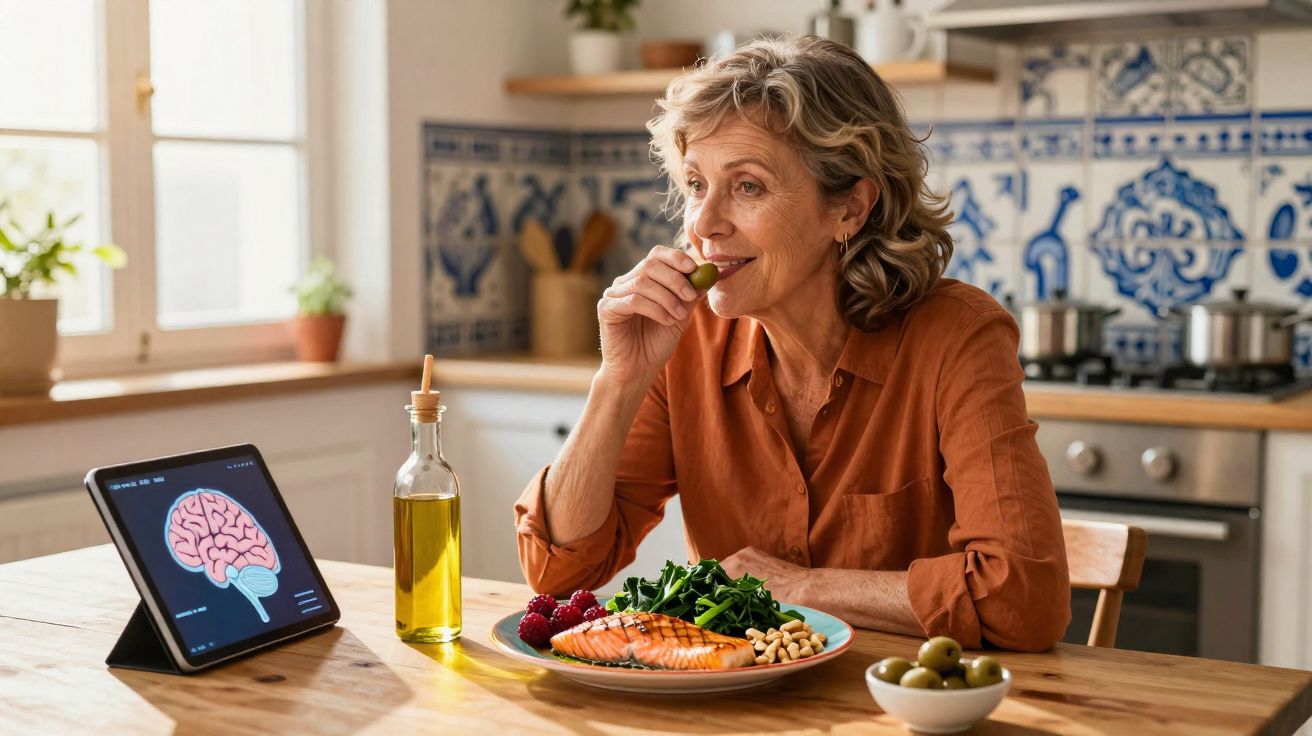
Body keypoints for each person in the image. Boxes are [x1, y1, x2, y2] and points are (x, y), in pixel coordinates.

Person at [514, 35, 1070, 651]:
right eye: (697, 184)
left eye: (748, 186)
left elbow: (1023, 597)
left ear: (851, 208)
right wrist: (616, 381)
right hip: (733, 704)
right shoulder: (687, 339)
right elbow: (557, 571)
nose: (703, 223)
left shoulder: (956, 337)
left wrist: (799, 587)